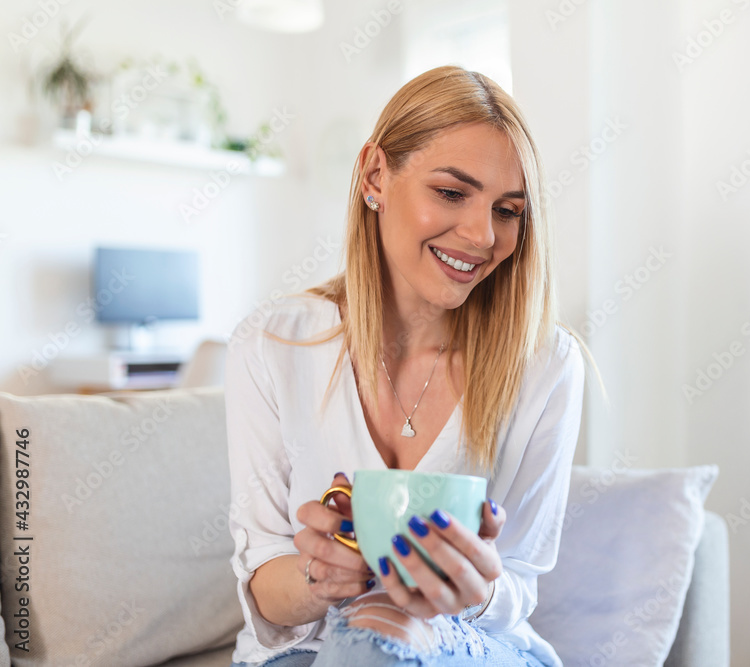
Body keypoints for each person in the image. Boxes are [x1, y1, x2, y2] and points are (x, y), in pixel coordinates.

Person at [224, 65, 604, 667]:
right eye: (452, 193)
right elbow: (266, 583)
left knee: (391, 626)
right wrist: (322, 577)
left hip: (472, 648)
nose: (483, 236)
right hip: (314, 650)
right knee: (369, 636)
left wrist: (476, 594)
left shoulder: (546, 366)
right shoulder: (272, 345)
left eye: (507, 211)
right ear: (375, 174)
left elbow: (520, 582)